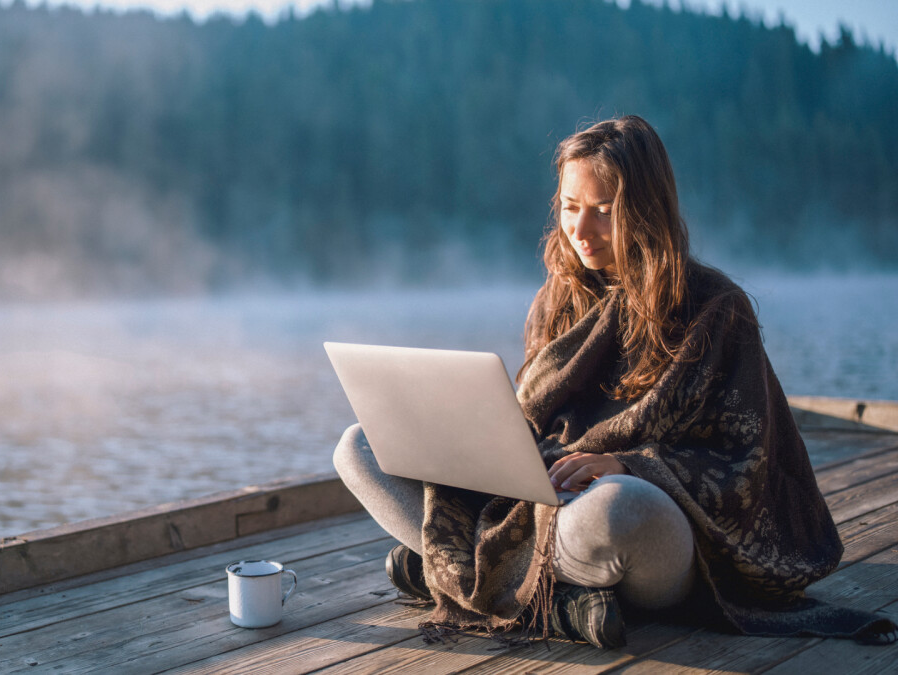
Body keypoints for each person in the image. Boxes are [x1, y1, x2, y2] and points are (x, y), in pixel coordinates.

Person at [333, 115, 895, 649]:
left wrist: (633, 465)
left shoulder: (716, 309)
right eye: (571, 207)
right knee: (360, 446)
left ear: (647, 209)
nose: (580, 230)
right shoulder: (557, 299)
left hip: (657, 535)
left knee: (618, 509)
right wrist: (485, 442)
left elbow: (745, 461)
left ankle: (464, 574)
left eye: (604, 210)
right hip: (542, 503)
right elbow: (534, 422)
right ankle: (551, 600)